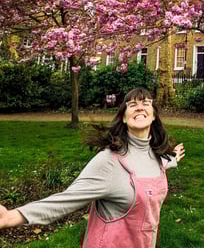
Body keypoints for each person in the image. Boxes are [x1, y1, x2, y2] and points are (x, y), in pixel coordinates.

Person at [0, 88, 185, 248]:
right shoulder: (109, 162)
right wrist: (10, 217)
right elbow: (67, 200)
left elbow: (157, 165)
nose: (139, 107)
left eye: (146, 103)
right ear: (124, 119)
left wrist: (173, 157)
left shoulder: (157, 157)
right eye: (131, 104)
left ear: (153, 116)